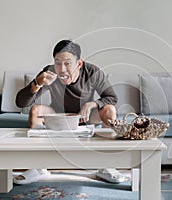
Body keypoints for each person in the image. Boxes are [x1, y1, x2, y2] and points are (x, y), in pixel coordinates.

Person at [14, 39, 126, 185]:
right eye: (58, 63)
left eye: (67, 63)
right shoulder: (50, 72)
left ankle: (107, 166)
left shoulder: (92, 72)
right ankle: (38, 167)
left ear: (79, 63)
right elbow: (20, 103)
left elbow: (112, 98)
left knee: (109, 110)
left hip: (85, 117)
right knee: (35, 110)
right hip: (58, 116)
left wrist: (93, 104)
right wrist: (37, 83)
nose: (62, 69)